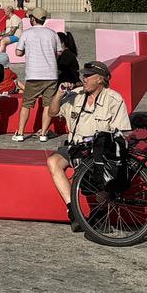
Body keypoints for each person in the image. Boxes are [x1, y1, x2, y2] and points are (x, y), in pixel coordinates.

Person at [46, 61, 133, 212]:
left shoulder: (113, 99)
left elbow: (123, 134)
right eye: (83, 75)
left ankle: (98, 213)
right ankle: (72, 208)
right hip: (76, 146)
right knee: (53, 161)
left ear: (100, 79)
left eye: (88, 76)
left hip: (100, 150)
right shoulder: (76, 94)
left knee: (100, 176)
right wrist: (59, 93)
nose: (84, 79)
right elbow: (52, 112)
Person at [11, 10, 64, 143]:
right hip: (51, 75)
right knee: (47, 105)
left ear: (33, 19)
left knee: (27, 104)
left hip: (33, 74)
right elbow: (59, 52)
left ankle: (20, 133)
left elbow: (18, 52)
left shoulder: (27, 33)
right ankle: (43, 133)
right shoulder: (52, 33)